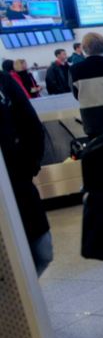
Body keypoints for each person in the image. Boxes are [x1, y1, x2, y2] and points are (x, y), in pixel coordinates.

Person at [0, 69, 52, 274]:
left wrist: (29, 164)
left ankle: (25, 299)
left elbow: (29, 122)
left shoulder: (3, 81)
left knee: (42, 251)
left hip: (18, 180)